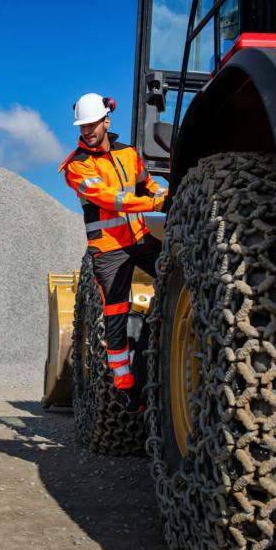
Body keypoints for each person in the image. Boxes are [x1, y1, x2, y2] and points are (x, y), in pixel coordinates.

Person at [59, 93, 168, 413]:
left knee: (172, 269)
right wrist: (155, 202)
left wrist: (163, 193)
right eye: (82, 126)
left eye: (92, 124)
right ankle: (124, 386)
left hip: (140, 239)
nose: (87, 130)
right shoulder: (76, 166)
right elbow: (110, 199)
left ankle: (162, 321)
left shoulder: (129, 154)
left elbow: (147, 184)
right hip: (108, 249)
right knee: (116, 313)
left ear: (106, 121)